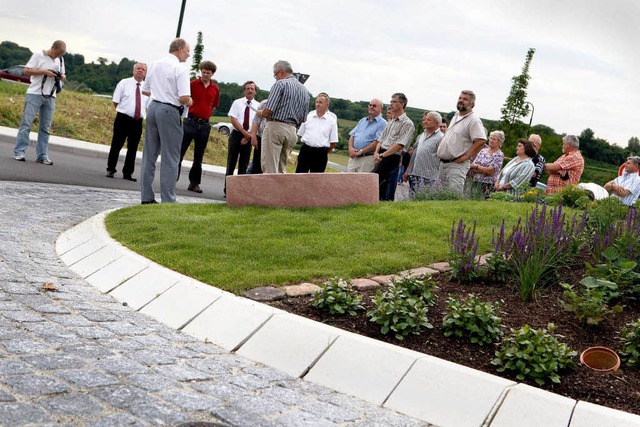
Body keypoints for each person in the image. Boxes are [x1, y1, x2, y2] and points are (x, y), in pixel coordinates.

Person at [139, 38, 192, 204]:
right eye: (187, 51)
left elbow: (145, 90)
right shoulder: (180, 68)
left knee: (149, 154)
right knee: (171, 157)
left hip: (153, 107)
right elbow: (184, 97)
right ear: (180, 49)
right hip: (169, 111)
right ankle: (168, 200)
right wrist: (190, 102)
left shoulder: (154, 64)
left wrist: (160, 92)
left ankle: (146, 197)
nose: (189, 54)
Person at [13, 40, 67, 165]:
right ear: (53, 47)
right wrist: (44, 72)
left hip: (51, 96)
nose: (57, 57)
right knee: (26, 124)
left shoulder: (60, 60)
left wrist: (61, 77)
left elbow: (63, 75)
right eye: (57, 53)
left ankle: (42, 155)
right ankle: (20, 151)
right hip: (35, 93)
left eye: (60, 55)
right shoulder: (38, 55)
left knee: (45, 128)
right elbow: (26, 71)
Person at [257, 60, 310, 173]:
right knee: (281, 169)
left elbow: (269, 109)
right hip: (292, 130)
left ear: (280, 72)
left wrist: (261, 113)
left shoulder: (280, 84)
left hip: (276, 126)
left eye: (275, 75)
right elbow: (303, 118)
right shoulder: (305, 90)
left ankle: (270, 191)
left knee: (270, 167)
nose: (275, 78)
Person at [178, 60, 219, 194]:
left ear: (212, 74)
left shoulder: (215, 88)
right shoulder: (193, 84)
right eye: (203, 72)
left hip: (204, 124)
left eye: (208, 72)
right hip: (190, 121)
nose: (205, 74)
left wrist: (205, 115)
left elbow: (214, 106)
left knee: (199, 156)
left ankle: (194, 183)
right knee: (180, 152)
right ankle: (172, 178)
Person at [436, 90, 487, 193]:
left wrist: (466, 157)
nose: (461, 101)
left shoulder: (473, 120)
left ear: (472, 104)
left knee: (453, 196)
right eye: (460, 98)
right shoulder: (456, 116)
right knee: (440, 197)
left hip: (456, 165)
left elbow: (481, 140)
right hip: (443, 164)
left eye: (465, 99)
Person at [105, 63, 148, 181]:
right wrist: (125, 110)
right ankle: (111, 169)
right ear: (133, 70)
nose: (140, 71)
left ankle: (128, 173)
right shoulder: (124, 83)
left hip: (137, 121)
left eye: (143, 69)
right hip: (123, 118)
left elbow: (147, 105)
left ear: (146, 73)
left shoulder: (147, 87)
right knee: (116, 144)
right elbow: (116, 101)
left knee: (133, 148)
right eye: (138, 69)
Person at [372, 93, 415, 201]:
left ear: (402, 104)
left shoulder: (407, 123)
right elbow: (381, 139)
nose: (391, 104)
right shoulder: (391, 121)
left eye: (394, 101)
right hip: (382, 153)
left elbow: (400, 144)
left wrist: (382, 155)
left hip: (391, 156)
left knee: (376, 181)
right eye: (391, 101)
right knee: (378, 185)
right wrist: (376, 153)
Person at [225, 81, 259, 191]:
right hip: (236, 134)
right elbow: (233, 119)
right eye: (247, 88)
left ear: (255, 91)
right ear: (244, 90)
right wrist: (244, 133)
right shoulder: (237, 103)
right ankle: (228, 189)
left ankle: (240, 191)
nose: (249, 90)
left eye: (252, 89)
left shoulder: (258, 106)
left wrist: (248, 136)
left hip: (250, 136)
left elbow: (258, 122)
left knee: (243, 165)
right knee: (231, 163)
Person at [404, 111, 444, 198]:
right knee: (412, 202)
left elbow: (442, 158)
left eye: (428, 120)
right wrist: (408, 170)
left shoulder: (441, 138)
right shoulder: (422, 135)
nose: (425, 121)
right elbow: (415, 153)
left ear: (437, 123)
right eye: (425, 119)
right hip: (415, 175)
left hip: (429, 177)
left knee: (424, 203)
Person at [295, 93, 338, 173]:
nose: (318, 104)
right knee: (299, 177)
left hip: (320, 154)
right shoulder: (308, 116)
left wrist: (323, 152)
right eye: (316, 102)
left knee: (316, 180)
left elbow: (333, 142)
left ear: (327, 105)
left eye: (320, 102)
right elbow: (300, 134)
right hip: (306, 151)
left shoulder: (331, 121)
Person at [346, 98, 386, 172]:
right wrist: (351, 148)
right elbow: (352, 135)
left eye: (374, 106)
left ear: (381, 108)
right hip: (354, 158)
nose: (371, 107)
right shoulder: (362, 120)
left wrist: (361, 151)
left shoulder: (383, 124)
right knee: (349, 182)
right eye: (370, 105)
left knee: (362, 183)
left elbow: (377, 142)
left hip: (367, 159)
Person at [469, 130, 505, 197]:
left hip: (488, 185)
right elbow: (472, 166)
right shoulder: (483, 151)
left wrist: (477, 167)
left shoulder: (499, 155)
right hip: (476, 181)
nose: (491, 140)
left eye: (494, 139)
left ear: (500, 142)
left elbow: (490, 172)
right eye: (490, 138)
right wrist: (483, 170)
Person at [248, 98, 268, 174]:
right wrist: (253, 136)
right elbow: (256, 121)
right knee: (257, 165)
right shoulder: (264, 103)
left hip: (273, 139)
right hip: (261, 138)